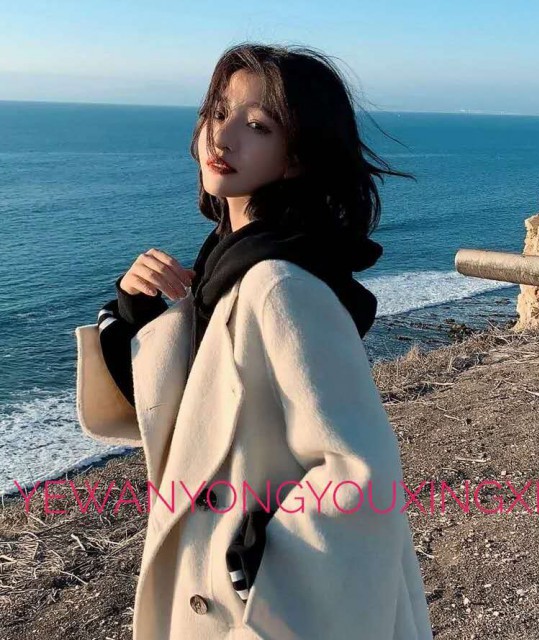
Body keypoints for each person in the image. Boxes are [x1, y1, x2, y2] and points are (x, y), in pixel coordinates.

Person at [75, 42, 433, 639]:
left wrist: (262, 618)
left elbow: (358, 477)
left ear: (296, 158)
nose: (222, 136)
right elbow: (183, 426)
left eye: (258, 126)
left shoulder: (279, 286)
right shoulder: (224, 268)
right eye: (218, 113)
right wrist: (136, 314)